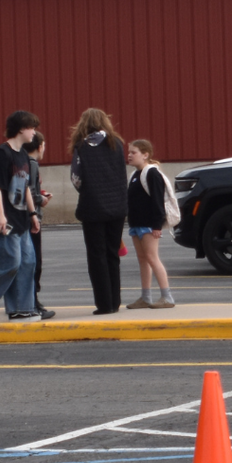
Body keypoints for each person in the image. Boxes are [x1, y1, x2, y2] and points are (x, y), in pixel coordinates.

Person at [0, 111, 49, 323]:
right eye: (32, 127)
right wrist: (0, 215)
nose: (34, 132)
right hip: (4, 220)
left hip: (21, 219)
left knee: (27, 262)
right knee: (9, 261)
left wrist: (32, 213)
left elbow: (27, 189)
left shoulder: (22, 154)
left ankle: (21, 309)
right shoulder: (2, 154)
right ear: (21, 129)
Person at [70, 108, 128, 315]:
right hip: (117, 206)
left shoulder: (82, 146)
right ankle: (115, 301)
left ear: (83, 124)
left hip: (92, 207)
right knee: (113, 253)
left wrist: (86, 190)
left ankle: (103, 304)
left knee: (97, 255)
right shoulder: (117, 144)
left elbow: (76, 178)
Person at [125, 139, 176, 310]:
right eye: (129, 152)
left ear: (145, 155)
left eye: (134, 152)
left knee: (152, 258)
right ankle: (146, 297)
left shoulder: (152, 173)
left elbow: (157, 200)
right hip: (136, 224)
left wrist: (157, 225)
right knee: (143, 260)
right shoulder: (134, 175)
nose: (129, 155)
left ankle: (167, 296)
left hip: (148, 224)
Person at [26, 132, 54, 317]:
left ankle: (27, 300)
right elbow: (29, 190)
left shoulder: (22, 162)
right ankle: (32, 302)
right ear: (40, 146)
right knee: (35, 261)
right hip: (31, 218)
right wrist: (41, 199)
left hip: (25, 218)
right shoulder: (32, 164)